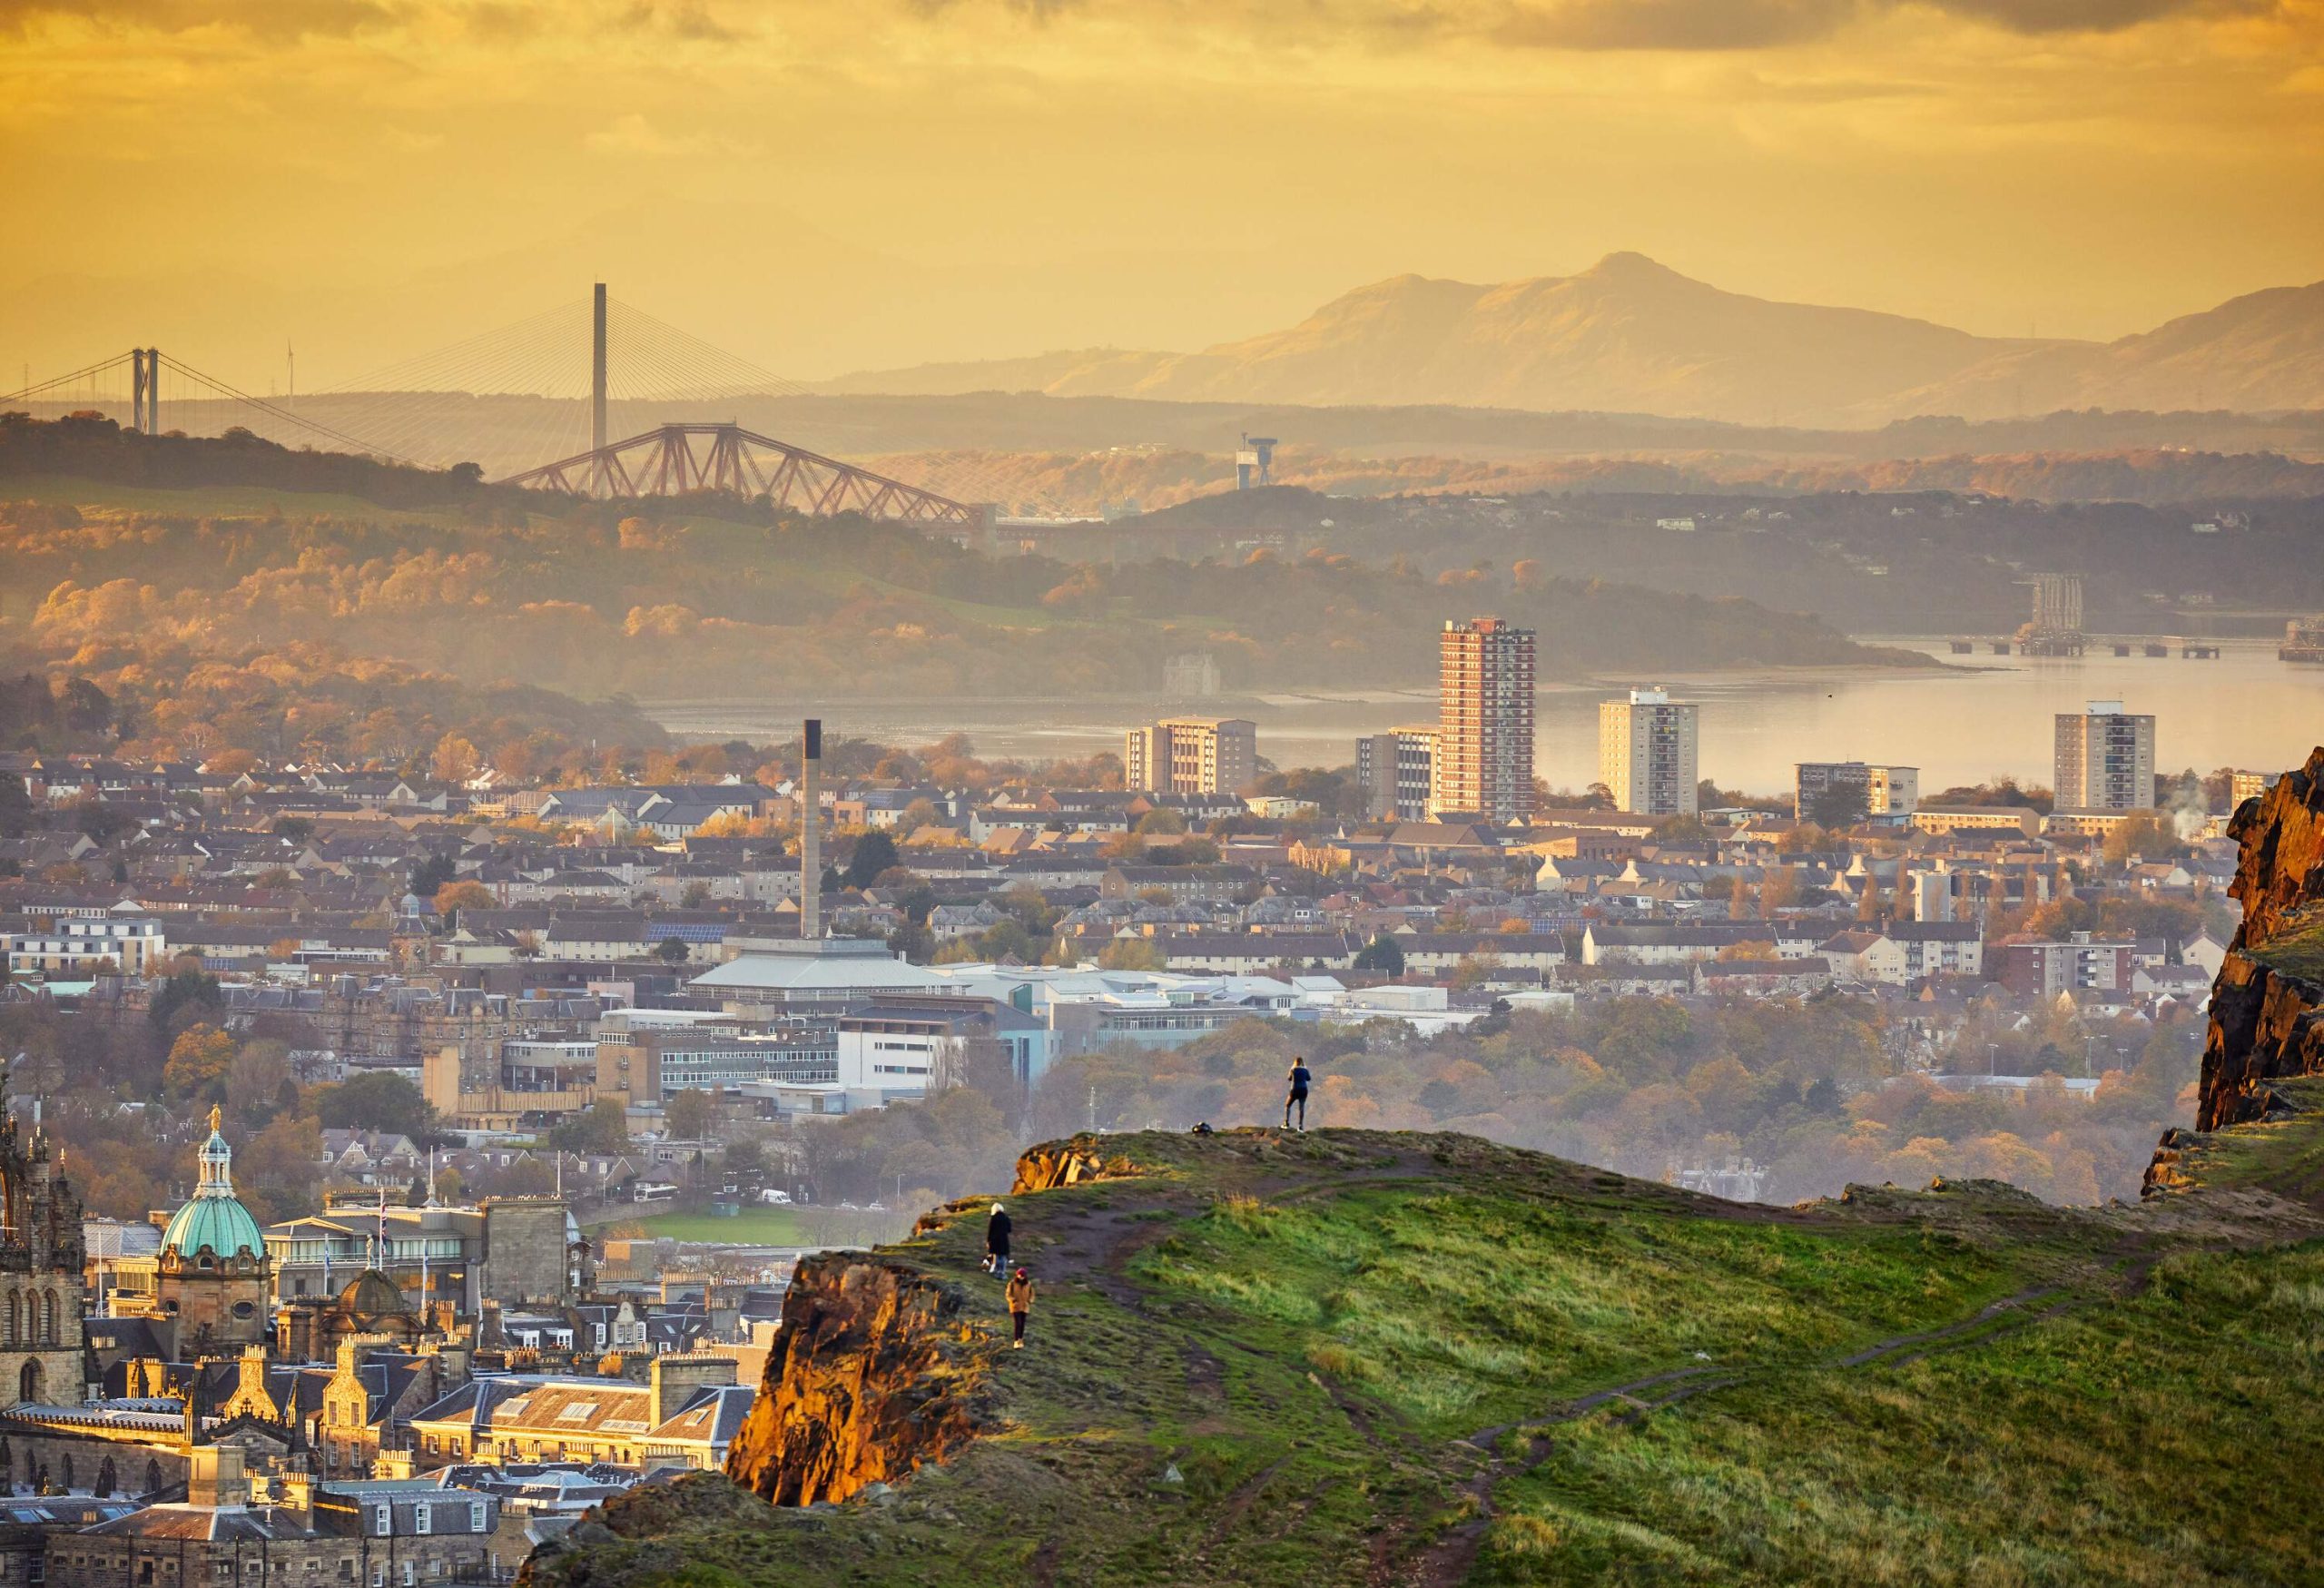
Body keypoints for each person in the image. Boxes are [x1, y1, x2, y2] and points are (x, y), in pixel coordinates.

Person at [1005, 1267, 1035, 1348]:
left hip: (1025, 1306)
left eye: (1022, 1276)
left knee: (1022, 1324)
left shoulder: (1029, 1284)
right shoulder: (1012, 1283)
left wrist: (1030, 1301)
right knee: (1017, 1323)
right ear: (1017, 1275)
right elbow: (1008, 1294)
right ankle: (1016, 1341)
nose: (1020, 1277)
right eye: (1019, 1275)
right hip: (1015, 1306)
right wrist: (1013, 1300)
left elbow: (1032, 1294)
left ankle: (1020, 1340)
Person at [1285, 1056, 1313, 1130]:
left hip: (1294, 1089)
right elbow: (1309, 1079)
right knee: (1301, 1108)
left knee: (1288, 1105)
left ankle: (1286, 1123)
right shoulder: (1305, 1070)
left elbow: (1289, 1078)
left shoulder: (1293, 1069)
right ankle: (1300, 1126)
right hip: (1303, 1090)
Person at [984, 1202, 1011, 1274]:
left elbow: (990, 1230)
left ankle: (996, 1270)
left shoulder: (993, 1218)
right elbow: (1009, 1229)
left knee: (996, 1256)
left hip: (995, 1240)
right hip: (1004, 1240)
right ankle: (1002, 1272)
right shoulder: (1006, 1218)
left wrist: (988, 1240)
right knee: (1003, 1256)